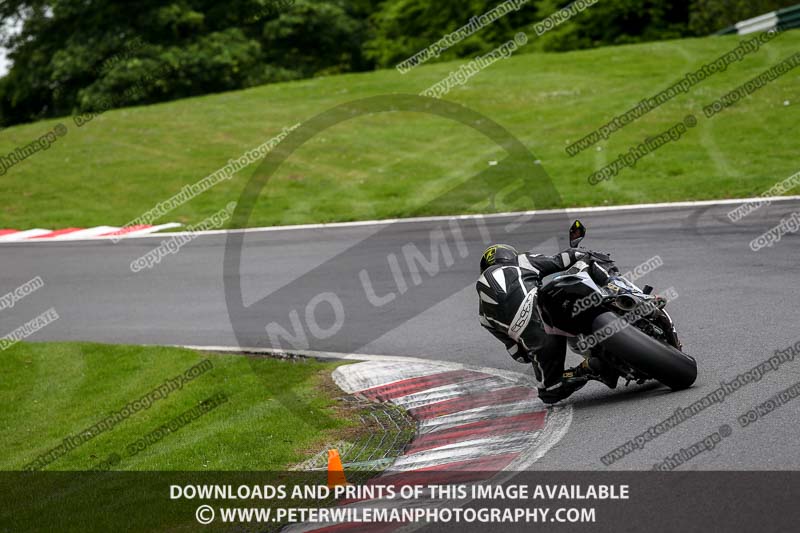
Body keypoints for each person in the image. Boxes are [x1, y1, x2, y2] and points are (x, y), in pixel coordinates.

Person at [476, 243, 616, 404]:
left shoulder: (483, 316)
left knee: (550, 391)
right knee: (589, 258)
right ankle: (617, 286)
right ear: (509, 255)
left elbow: (519, 356)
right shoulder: (519, 261)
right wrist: (581, 251)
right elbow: (563, 259)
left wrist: (533, 344)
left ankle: (588, 367)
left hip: (541, 345)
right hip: (549, 308)